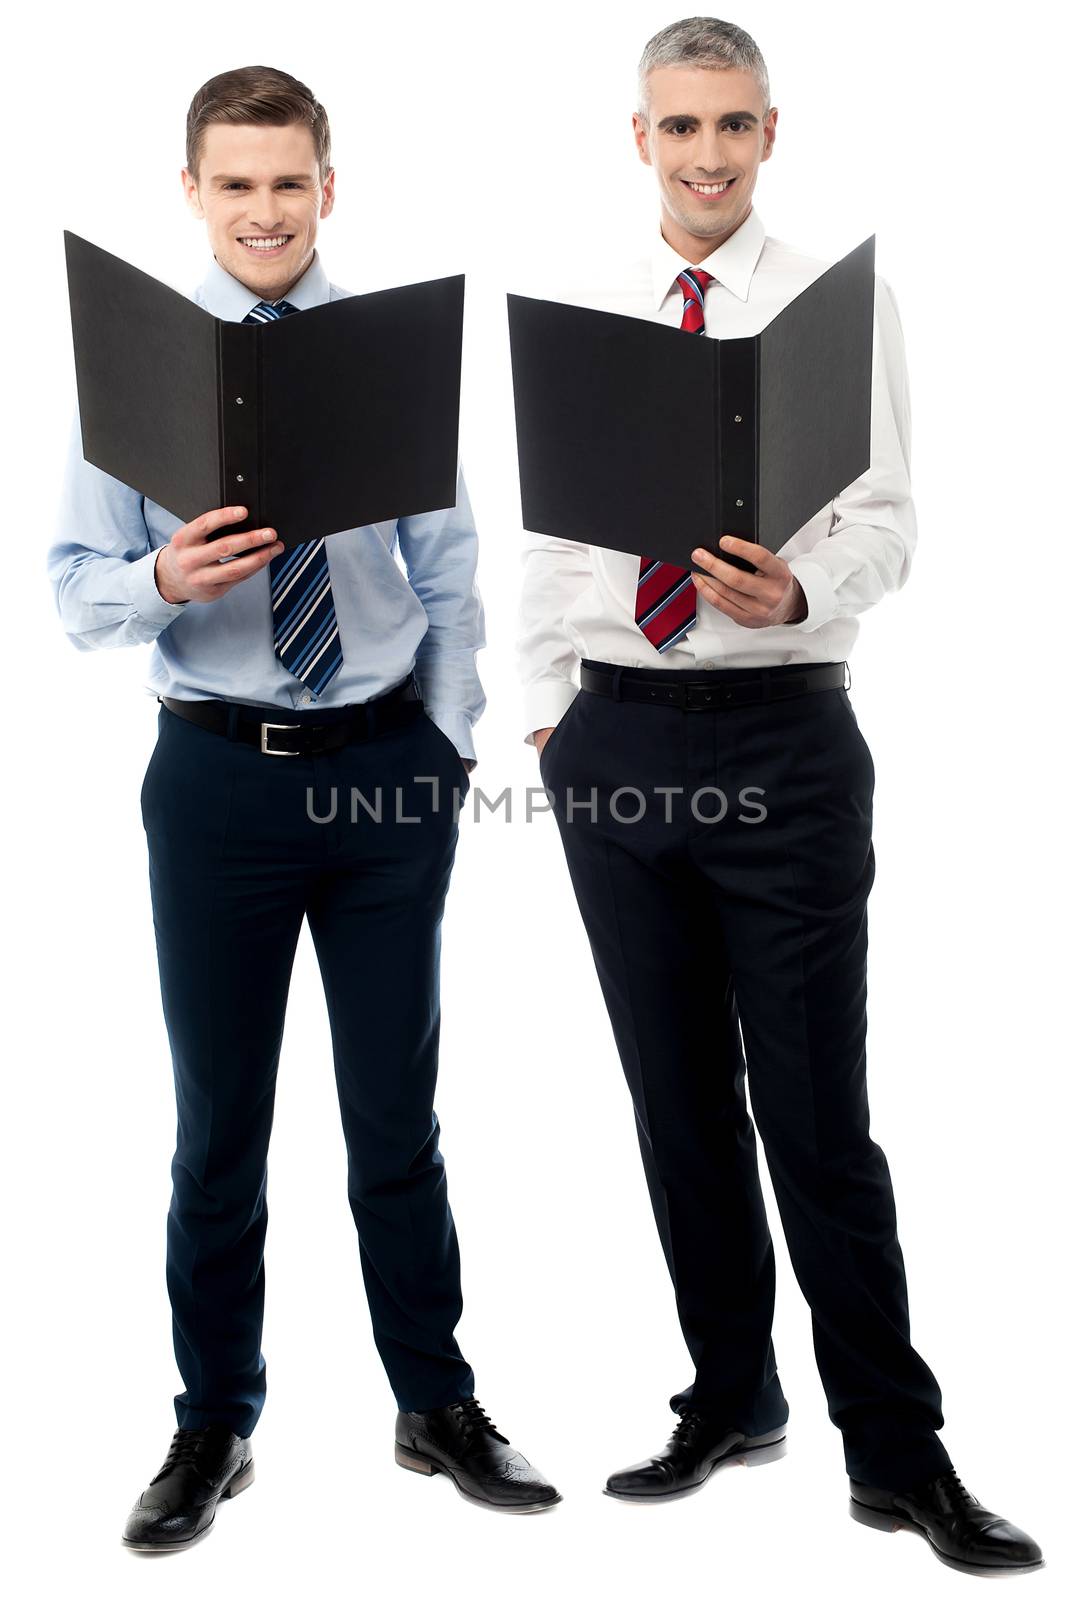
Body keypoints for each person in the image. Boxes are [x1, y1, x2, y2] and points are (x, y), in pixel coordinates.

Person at [517, 16, 1040, 1576]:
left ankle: (897, 1452)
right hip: (611, 741)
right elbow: (553, 546)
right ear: (638, 140)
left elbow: (890, 518)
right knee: (676, 1106)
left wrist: (794, 592)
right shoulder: (595, 314)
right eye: (677, 128)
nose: (704, 156)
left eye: (730, 126)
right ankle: (730, 1398)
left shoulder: (834, 301)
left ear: (768, 133)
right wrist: (551, 725)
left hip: (782, 741)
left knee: (818, 1118)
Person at [49, 64, 560, 1552]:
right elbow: (75, 599)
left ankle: (436, 1401)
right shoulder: (140, 367)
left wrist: (446, 748)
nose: (263, 209)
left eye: (288, 182)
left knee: (395, 1115)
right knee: (220, 1126)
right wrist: (163, 581)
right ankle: (212, 1424)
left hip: (382, 771)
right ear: (194, 193)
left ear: (326, 189)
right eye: (234, 183)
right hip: (213, 784)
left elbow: (452, 569)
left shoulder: (388, 353)